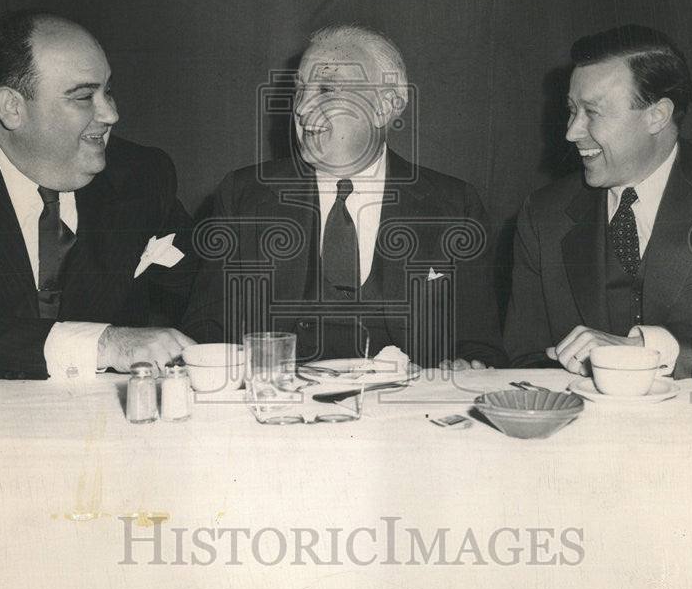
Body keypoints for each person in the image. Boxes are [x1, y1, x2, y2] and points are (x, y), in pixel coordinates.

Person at [0, 10, 197, 379]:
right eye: (84, 97)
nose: (110, 114)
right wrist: (108, 344)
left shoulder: (142, 175)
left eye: (108, 91)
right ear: (12, 107)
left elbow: (208, 294)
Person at [183, 24, 505, 369]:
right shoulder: (244, 196)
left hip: (402, 413)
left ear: (385, 106)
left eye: (325, 90)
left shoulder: (454, 206)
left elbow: (480, 346)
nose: (303, 109)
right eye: (300, 90)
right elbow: (205, 331)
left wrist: (467, 366)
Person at [503, 24, 692, 378]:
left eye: (592, 112)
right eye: (572, 110)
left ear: (657, 116)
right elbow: (525, 360)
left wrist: (646, 349)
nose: (571, 131)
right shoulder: (543, 215)